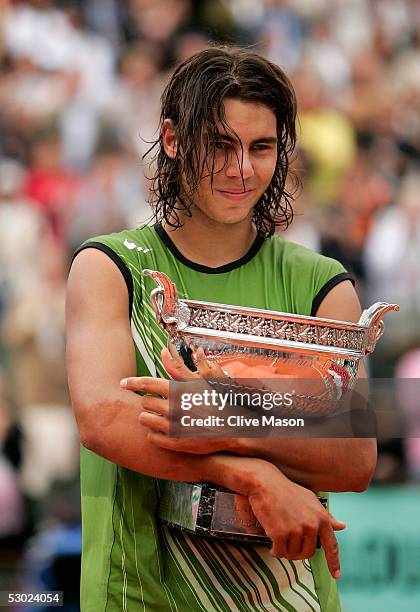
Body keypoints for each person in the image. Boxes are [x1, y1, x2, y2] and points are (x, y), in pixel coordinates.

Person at [66, 46, 377, 612]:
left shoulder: (323, 284)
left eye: (261, 148)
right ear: (173, 139)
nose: (241, 170)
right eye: (221, 145)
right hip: (136, 595)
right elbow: (104, 420)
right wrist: (257, 475)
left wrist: (216, 418)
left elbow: (354, 459)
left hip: (293, 597)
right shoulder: (109, 265)